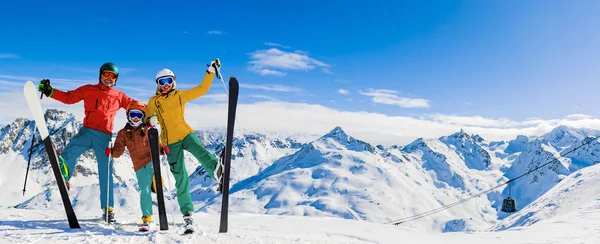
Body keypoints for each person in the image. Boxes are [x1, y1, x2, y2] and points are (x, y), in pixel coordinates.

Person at [37, 62, 134, 222]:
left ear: (116, 79)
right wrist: (50, 91)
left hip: (104, 137)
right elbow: (69, 98)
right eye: (106, 75)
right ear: (100, 75)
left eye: (113, 76)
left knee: (106, 171)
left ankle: (108, 209)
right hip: (87, 131)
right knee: (71, 149)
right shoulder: (88, 89)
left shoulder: (119, 96)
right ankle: (65, 175)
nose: (109, 79)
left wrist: (152, 111)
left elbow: (135, 105)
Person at [145, 58, 224, 232]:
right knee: (181, 178)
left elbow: (201, 89)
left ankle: (218, 173)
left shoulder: (180, 95)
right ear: (157, 84)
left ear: (173, 82)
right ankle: (187, 213)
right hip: (169, 142)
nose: (165, 85)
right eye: (161, 82)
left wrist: (210, 72)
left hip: (185, 134)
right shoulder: (153, 101)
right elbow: (147, 118)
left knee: (201, 152)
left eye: (168, 81)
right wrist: (151, 120)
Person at [111, 100, 161, 231]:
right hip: (138, 165)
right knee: (144, 190)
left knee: (153, 184)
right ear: (128, 115)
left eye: (138, 115)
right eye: (133, 114)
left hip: (151, 160)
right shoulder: (123, 133)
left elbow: (156, 142)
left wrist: (162, 149)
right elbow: (118, 151)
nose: (135, 118)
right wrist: (111, 152)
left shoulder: (148, 128)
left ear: (143, 116)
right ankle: (147, 217)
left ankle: (156, 181)